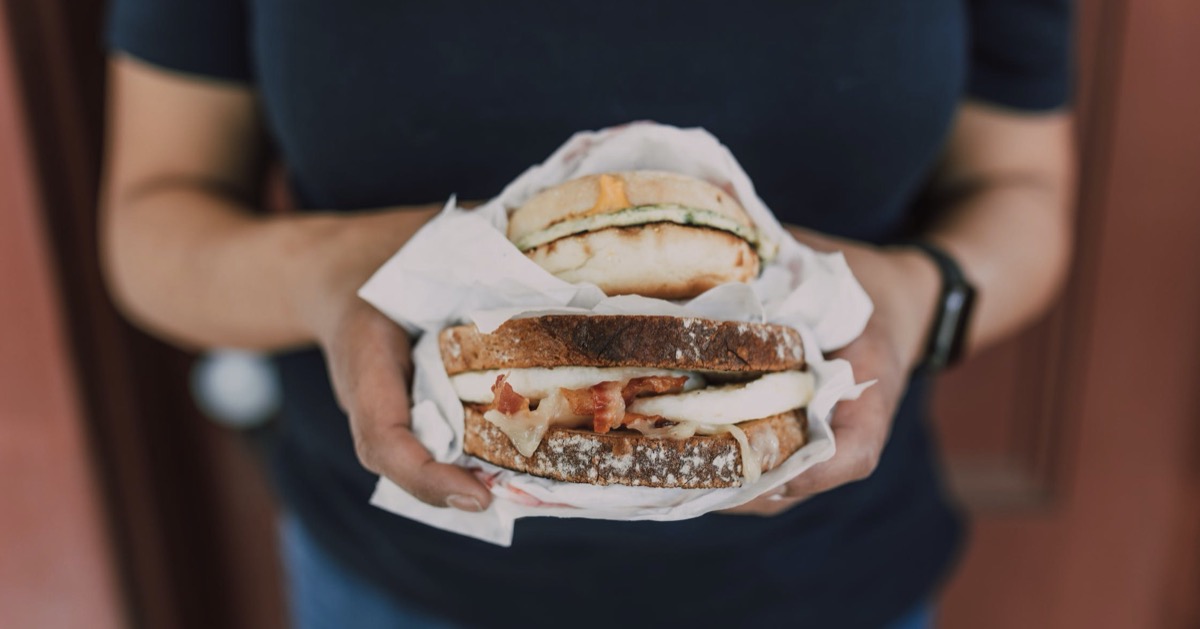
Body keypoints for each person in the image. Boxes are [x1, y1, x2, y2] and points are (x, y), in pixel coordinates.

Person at [100, 2, 1074, 627]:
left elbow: (1022, 186)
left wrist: (912, 296)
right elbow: (151, 222)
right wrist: (333, 272)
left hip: (832, 579)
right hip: (394, 579)